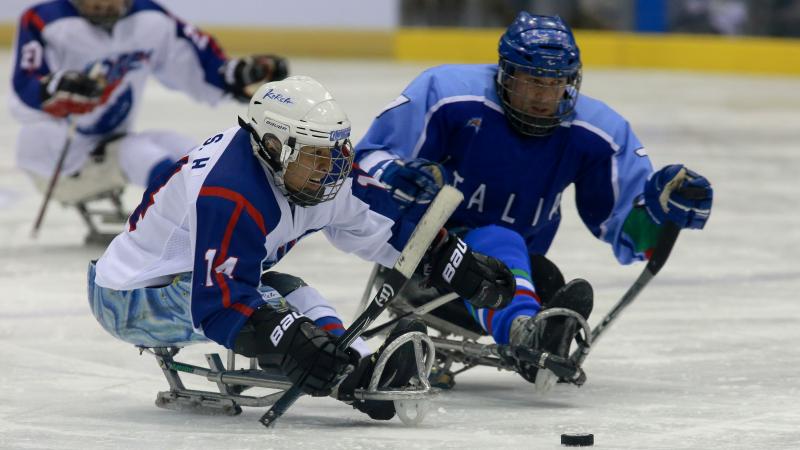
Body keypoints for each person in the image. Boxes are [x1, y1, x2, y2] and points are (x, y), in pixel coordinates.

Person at [87, 76, 515, 420]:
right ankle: (355, 374)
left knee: (290, 295)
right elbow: (216, 304)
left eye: (335, 154)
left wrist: (447, 260)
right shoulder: (231, 193)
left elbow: (378, 226)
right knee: (278, 301)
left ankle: (362, 369)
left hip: (197, 281)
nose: (330, 171)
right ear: (272, 146)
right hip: (131, 296)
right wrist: (290, 342)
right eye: (315, 157)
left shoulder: (307, 173)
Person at [353, 12, 714, 385]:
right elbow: (366, 158)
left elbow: (626, 229)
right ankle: (526, 335)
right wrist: (395, 176)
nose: (543, 97)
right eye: (531, 82)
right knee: (503, 242)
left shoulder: (598, 133)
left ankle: (529, 324)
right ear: (505, 74)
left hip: (508, 272)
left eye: (555, 83)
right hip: (421, 261)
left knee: (544, 276)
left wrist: (660, 214)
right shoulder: (447, 94)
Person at [10, 0, 288, 213]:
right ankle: (192, 220)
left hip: (110, 143)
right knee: (142, 155)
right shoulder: (46, 21)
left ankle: (244, 208)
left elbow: (198, 62)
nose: (104, 6)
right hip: (56, 160)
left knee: (191, 150)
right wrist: (56, 87)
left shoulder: (149, 20)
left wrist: (236, 75)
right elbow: (26, 86)